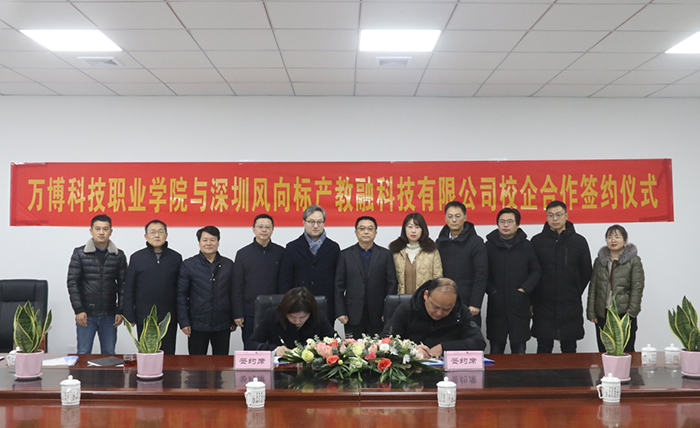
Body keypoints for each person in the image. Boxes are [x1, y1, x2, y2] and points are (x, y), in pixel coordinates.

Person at [531, 201, 592, 354]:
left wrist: (574, 290)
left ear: (566, 216)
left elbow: (586, 271)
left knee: (569, 348)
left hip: (570, 304)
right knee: (544, 348)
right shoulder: (537, 242)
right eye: (551, 215)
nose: (555, 219)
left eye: (558, 215)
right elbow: (531, 271)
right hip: (543, 304)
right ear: (546, 217)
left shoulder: (578, 241)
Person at [381, 278, 486, 359]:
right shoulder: (407, 309)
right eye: (435, 307)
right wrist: (411, 350)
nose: (439, 313)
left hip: (446, 371)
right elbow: (385, 341)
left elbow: (478, 342)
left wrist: (444, 347)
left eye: (447, 309)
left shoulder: (460, 311)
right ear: (426, 295)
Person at [67, 214, 127, 354]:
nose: (101, 232)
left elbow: (123, 285)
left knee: (109, 353)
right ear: (91, 231)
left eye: (105, 229)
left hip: (110, 315)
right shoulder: (80, 253)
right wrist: (78, 309)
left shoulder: (118, 255)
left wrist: (120, 310)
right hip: (86, 314)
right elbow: (72, 282)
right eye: (98, 229)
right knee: (83, 352)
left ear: (111, 231)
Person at [484, 208, 541, 354]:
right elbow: (482, 273)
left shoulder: (526, 246)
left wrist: (524, 290)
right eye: (502, 221)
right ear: (497, 224)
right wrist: (492, 291)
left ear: (517, 224)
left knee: (519, 350)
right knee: (496, 349)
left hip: (519, 304)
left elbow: (536, 271)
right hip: (497, 304)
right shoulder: (488, 246)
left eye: (510, 221)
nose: (505, 225)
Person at [123, 219, 182, 355]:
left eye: (160, 232)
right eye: (152, 232)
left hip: (168, 317)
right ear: (146, 236)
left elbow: (181, 290)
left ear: (166, 235)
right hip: (144, 316)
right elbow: (129, 288)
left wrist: (181, 317)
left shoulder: (176, 257)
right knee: (147, 355)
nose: (157, 235)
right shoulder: (137, 257)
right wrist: (129, 315)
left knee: (168, 355)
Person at [335, 216, 398, 338]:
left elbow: (392, 284)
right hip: (352, 314)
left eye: (370, 229)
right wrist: (340, 311)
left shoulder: (385, 255)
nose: (366, 232)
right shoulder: (345, 255)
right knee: (352, 348)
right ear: (356, 232)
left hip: (378, 314)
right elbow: (338, 286)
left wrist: (387, 311)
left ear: (375, 232)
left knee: (379, 348)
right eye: (362, 228)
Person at [177, 226, 235, 355]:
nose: (209, 243)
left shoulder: (228, 264)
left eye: (212, 240)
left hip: (222, 324)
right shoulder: (189, 265)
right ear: (199, 242)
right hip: (197, 324)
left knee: (221, 363)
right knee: (196, 364)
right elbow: (181, 295)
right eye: (205, 240)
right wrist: (184, 322)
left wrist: (233, 319)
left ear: (218, 242)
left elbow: (234, 294)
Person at [587, 224, 644, 353]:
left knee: (627, 351)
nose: (613, 240)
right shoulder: (599, 261)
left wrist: (632, 313)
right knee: (604, 350)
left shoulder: (634, 261)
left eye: (617, 237)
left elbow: (637, 288)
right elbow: (593, 287)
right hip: (602, 312)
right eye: (609, 237)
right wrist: (591, 312)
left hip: (624, 313)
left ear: (625, 240)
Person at [279, 205, 340, 323]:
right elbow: (285, 281)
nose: (316, 226)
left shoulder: (333, 248)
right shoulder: (292, 247)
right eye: (311, 222)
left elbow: (338, 282)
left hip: (326, 305)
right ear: (304, 222)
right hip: (298, 306)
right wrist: (287, 305)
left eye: (319, 222)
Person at [233, 214, 285, 343]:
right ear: (253, 229)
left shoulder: (282, 252)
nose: (264, 230)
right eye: (260, 227)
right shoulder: (243, 254)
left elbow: (285, 283)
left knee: (275, 348)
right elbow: (237, 286)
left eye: (267, 227)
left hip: (276, 311)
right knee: (251, 348)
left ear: (272, 230)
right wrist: (238, 313)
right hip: (250, 312)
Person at [437, 201, 488, 326]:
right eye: (450, 216)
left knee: (469, 335)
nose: (454, 220)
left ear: (465, 217)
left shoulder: (476, 242)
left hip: (468, 302)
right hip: (444, 301)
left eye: (457, 216)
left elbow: (481, 274)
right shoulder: (440, 242)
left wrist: (475, 303)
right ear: (445, 219)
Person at [246, 287, 336, 356]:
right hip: (279, 369)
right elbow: (251, 344)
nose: (297, 321)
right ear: (284, 312)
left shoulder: (318, 316)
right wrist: (275, 349)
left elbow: (336, 342)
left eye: (303, 317)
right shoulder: (272, 315)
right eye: (292, 317)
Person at [389, 213, 443, 295]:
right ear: (404, 229)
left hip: (424, 299)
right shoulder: (395, 251)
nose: (413, 231)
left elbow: (437, 279)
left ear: (423, 229)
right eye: (410, 227)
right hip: (400, 299)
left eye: (417, 227)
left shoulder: (432, 251)